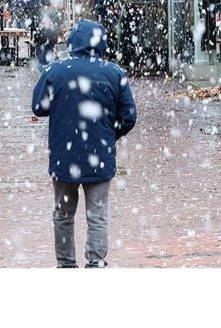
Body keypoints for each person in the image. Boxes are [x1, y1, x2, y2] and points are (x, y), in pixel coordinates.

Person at [31, 18, 137, 268]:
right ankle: (95, 263)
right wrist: (111, 135)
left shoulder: (55, 70)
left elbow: (38, 107)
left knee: (63, 215)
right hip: (99, 156)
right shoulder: (114, 73)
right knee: (97, 215)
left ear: (72, 42)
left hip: (63, 156)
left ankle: (66, 264)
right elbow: (129, 116)